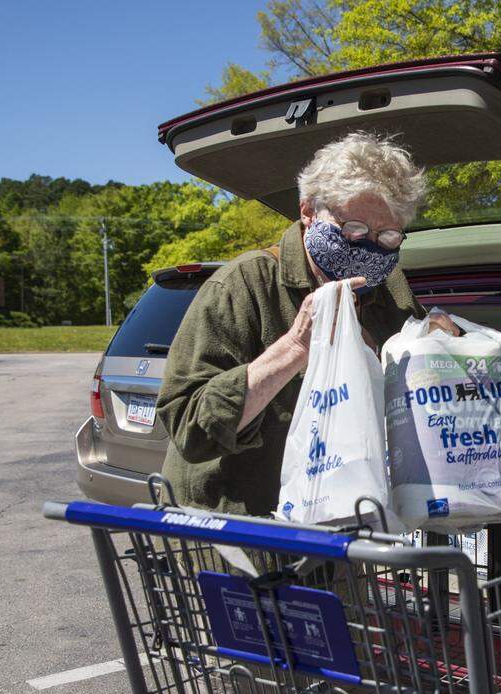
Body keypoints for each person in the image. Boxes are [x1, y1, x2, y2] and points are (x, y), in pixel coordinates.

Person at [156, 131, 456, 517]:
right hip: (238, 530)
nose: (369, 247)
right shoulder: (243, 285)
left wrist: (439, 350)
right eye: (354, 229)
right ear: (309, 212)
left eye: (387, 234)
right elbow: (189, 427)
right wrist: (295, 346)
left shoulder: (390, 288)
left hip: (340, 521)